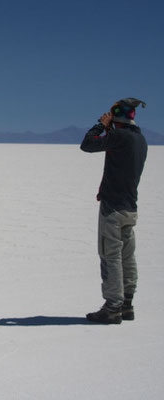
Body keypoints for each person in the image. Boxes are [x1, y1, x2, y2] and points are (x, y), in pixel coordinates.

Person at [80, 98, 148, 324]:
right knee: (127, 256)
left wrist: (101, 125)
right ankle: (127, 304)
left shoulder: (119, 137)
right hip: (130, 207)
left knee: (110, 256)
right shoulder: (140, 140)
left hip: (113, 208)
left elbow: (88, 144)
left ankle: (112, 307)